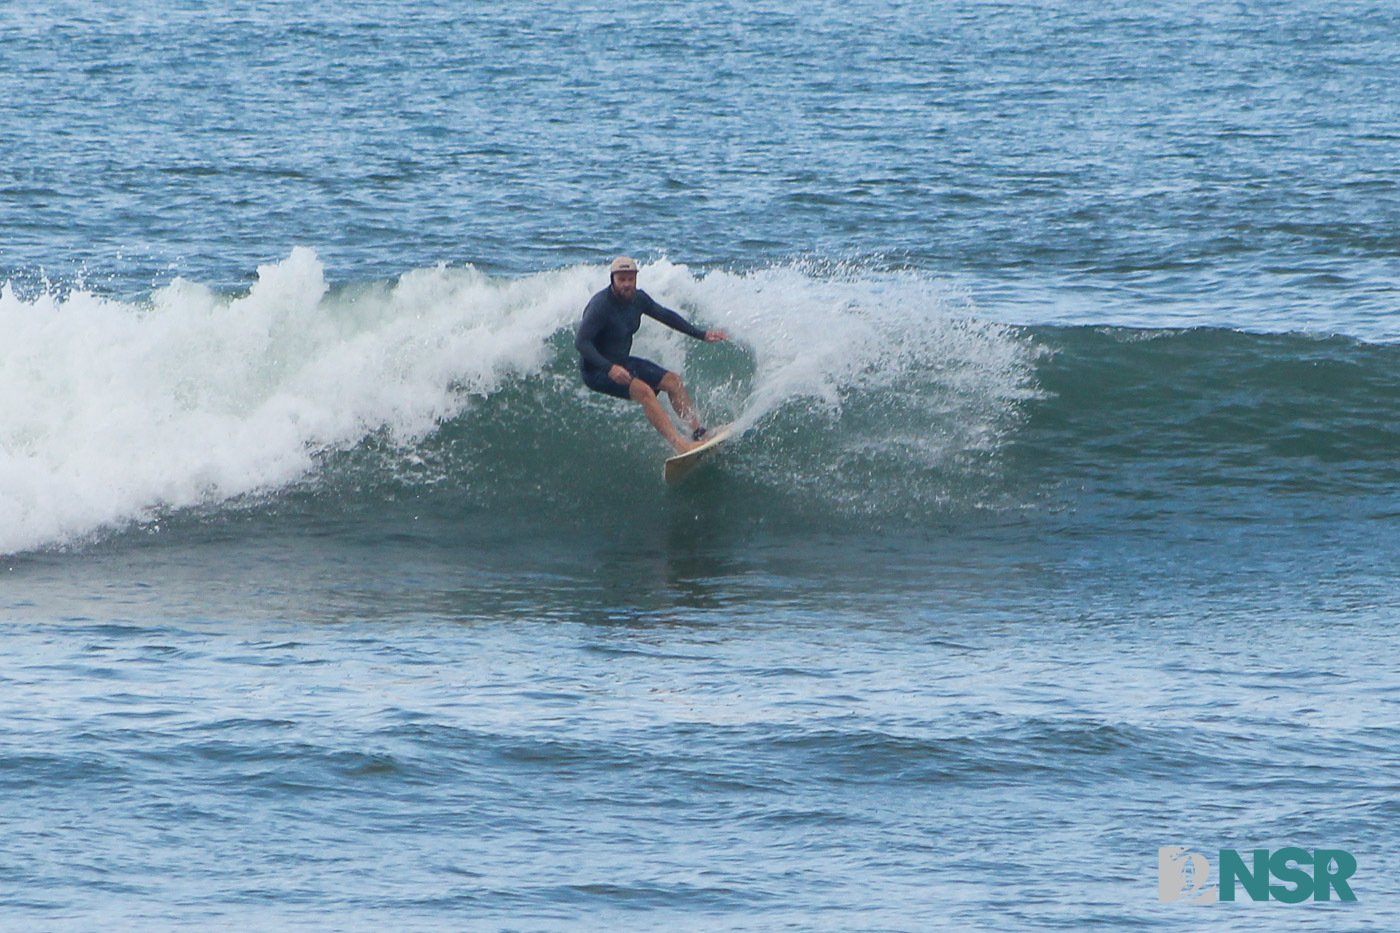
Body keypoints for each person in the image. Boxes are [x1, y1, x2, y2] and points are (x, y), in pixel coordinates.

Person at [576, 257, 729, 454]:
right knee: (644, 391)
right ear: (612, 279)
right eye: (621, 280)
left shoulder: (638, 299)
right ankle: (681, 446)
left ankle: (699, 433)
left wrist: (702, 334)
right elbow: (581, 342)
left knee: (673, 381)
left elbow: (665, 315)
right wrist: (609, 368)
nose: (626, 285)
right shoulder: (600, 306)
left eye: (630, 279)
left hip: (622, 362)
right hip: (596, 369)